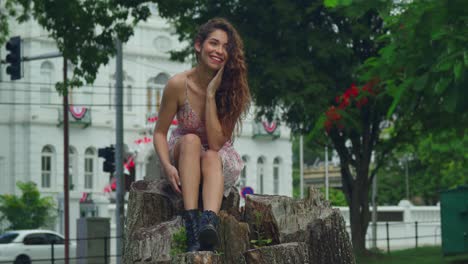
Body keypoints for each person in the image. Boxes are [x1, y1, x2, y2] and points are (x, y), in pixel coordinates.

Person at [153, 18, 250, 252]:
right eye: (214, 43)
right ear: (199, 45)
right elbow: (159, 132)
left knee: (210, 155)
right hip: (186, 152)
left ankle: (209, 223)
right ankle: (191, 225)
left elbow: (216, 144)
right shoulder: (178, 84)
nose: (219, 51)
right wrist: (167, 166)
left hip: (215, 160)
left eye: (226, 47)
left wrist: (210, 95)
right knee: (191, 139)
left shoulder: (233, 90)